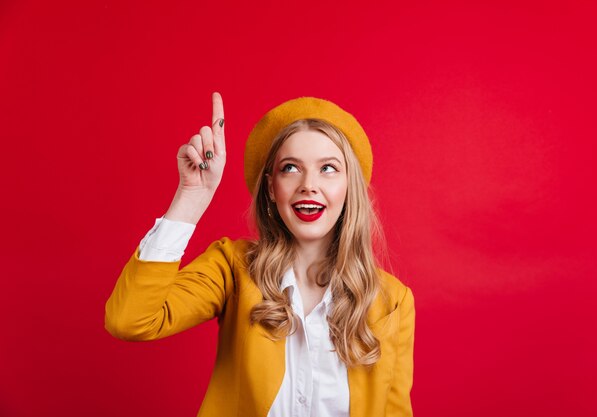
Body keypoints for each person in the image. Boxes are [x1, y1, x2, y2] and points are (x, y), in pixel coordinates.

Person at [105, 92, 415, 417]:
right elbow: (129, 321)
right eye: (291, 168)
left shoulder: (392, 302)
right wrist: (192, 197)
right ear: (270, 187)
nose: (309, 185)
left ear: (350, 185)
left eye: (328, 168)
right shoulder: (232, 267)